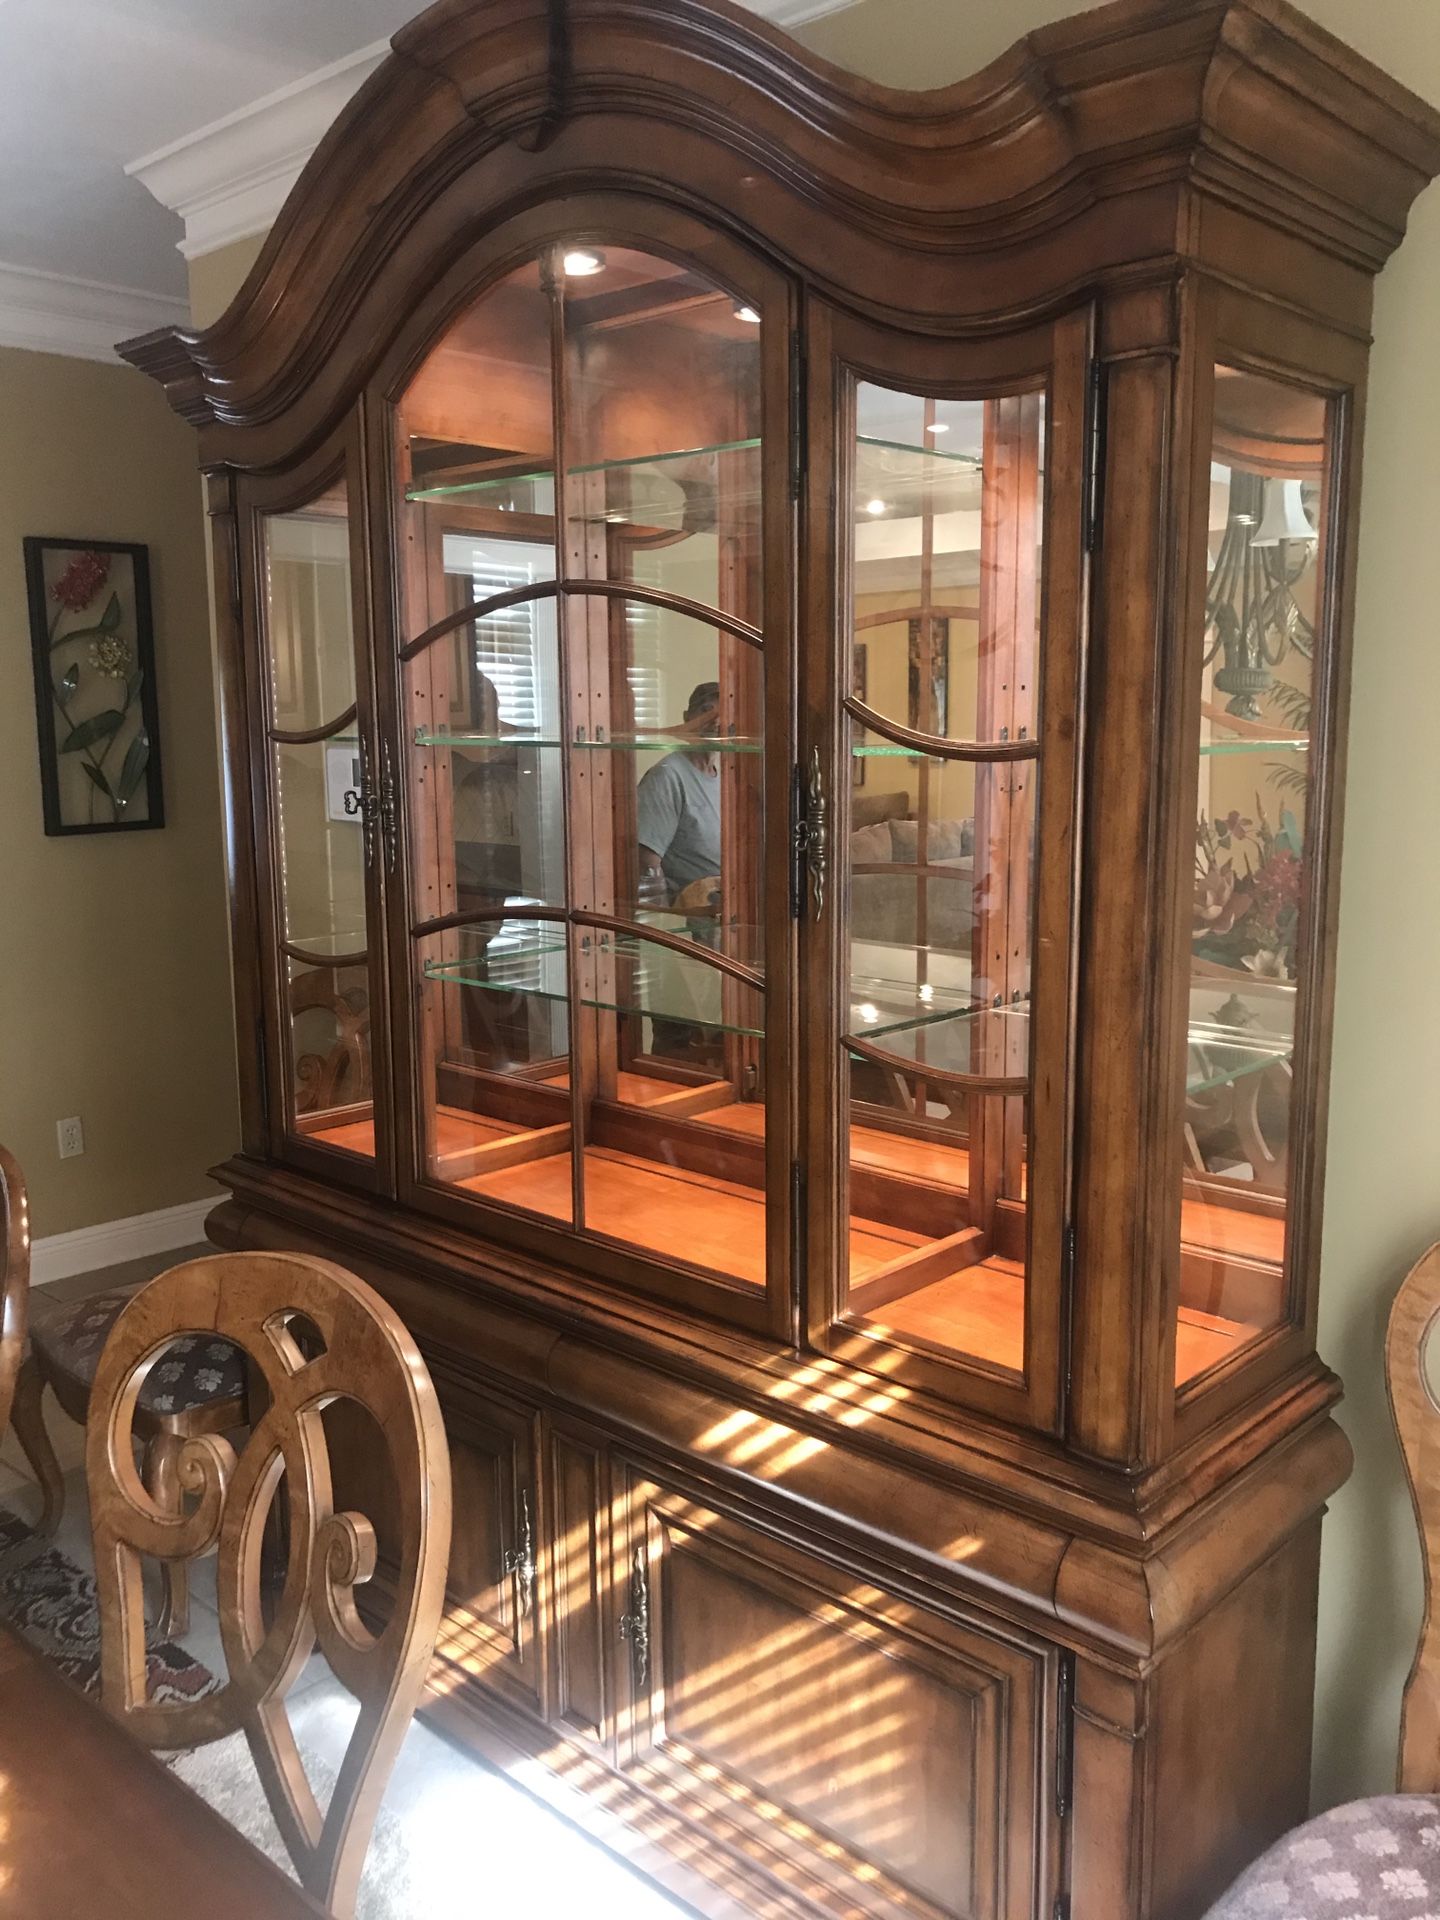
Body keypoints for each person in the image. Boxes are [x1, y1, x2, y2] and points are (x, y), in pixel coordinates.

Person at [635, 681, 722, 910]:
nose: (715, 720)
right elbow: (646, 863)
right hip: (689, 916)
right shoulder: (667, 777)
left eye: (724, 712)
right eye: (706, 711)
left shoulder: (727, 777)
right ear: (687, 718)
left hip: (722, 913)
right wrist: (663, 928)